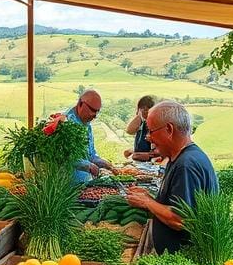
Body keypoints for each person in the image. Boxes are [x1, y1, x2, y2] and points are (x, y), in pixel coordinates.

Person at [126, 101, 218, 254]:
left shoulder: (186, 165)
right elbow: (175, 204)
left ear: (169, 129)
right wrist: (149, 198)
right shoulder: (179, 157)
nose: (148, 138)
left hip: (182, 257)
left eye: (151, 131)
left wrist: (147, 202)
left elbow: (180, 218)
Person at [64, 89, 114, 183]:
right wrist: (88, 166)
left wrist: (102, 162)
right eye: (92, 110)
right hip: (67, 186)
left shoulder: (87, 124)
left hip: (85, 184)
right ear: (80, 104)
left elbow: (90, 154)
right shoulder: (65, 122)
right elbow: (64, 157)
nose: (95, 115)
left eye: (97, 111)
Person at [123, 95, 157, 161]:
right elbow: (129, 131)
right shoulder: (142, 122)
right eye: (142, 109)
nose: (145, 112)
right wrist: (139, 116)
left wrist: (136, 155)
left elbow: (157, 153)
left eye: (147, 109)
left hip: (151, 161)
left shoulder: (157, 124)